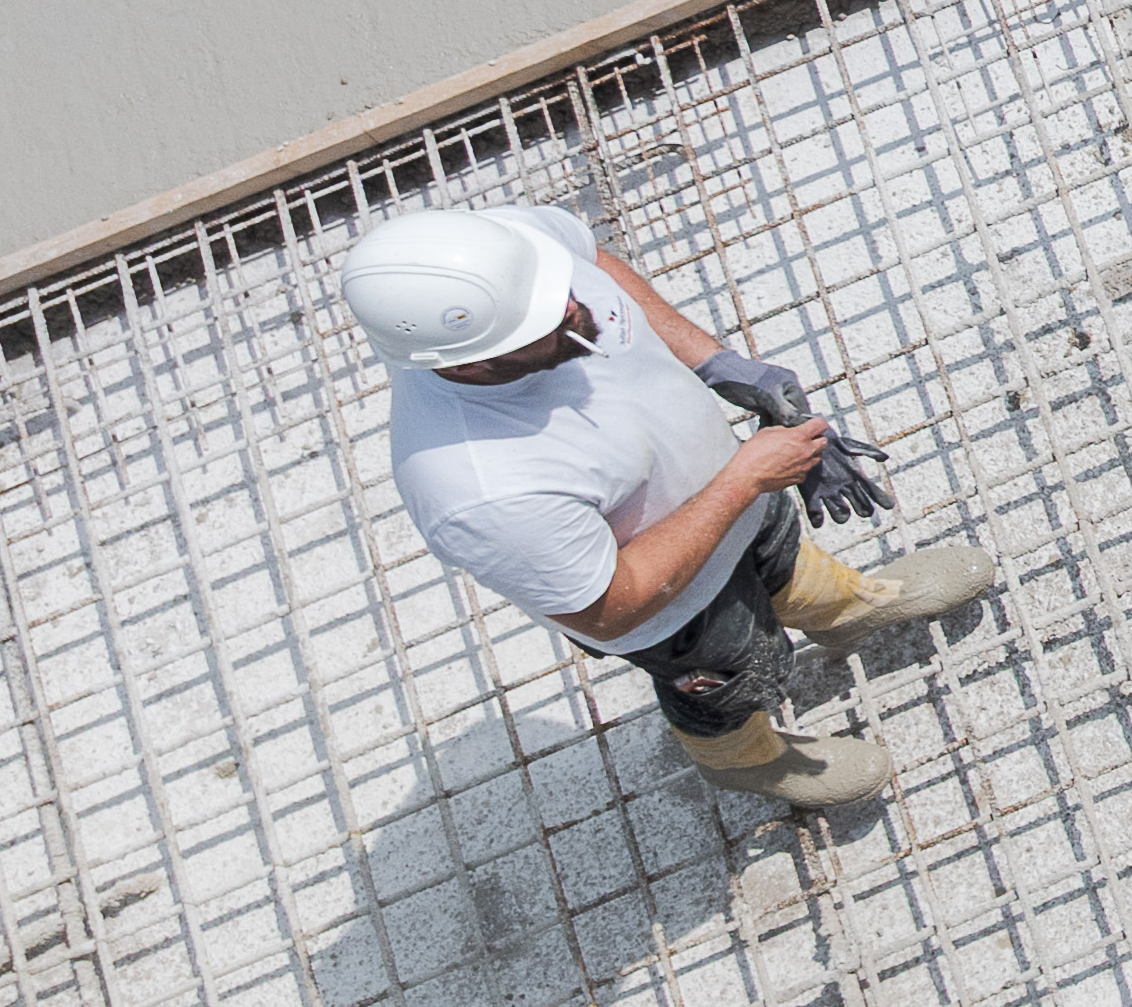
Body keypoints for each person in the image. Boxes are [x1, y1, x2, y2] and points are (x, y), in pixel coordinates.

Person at [341, 203, 994, 814]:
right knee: (725, 677)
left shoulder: (505, 255)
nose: (572, 305)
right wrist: (742, 481)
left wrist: (718, 364)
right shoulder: (475, 486)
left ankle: (841, 609)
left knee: (782, 556)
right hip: (680, 612)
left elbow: (593, 262)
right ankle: (741, 757)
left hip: (734, 488)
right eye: (549, 319)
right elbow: (607, 608)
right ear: (473, 367)